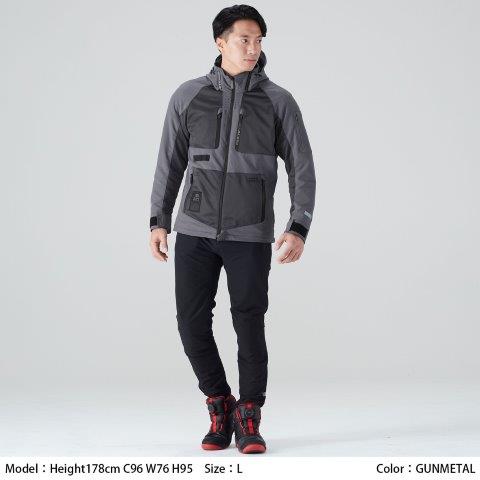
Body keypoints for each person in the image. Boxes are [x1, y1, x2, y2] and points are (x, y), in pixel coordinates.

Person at [149, 4, 316, 454]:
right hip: (195, 229)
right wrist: (159, 220)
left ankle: (249, 414)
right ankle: (219, 401)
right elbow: (170, 162)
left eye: (258, 40)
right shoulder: (188, 96)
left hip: (251, 232)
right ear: (220, 42)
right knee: (190, 323)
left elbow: (302, 167)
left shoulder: (278, 101)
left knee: (248, 324)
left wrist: (298, 225)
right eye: (244, 39)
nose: (252, 48)